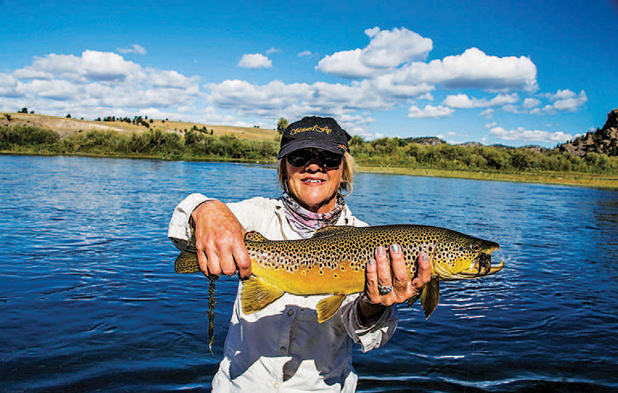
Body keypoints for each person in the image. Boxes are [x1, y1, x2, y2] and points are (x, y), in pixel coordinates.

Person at [168, 116, 431, 392]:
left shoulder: (373, 245)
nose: (314, 166)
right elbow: (181, 232)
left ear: (344, 170)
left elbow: (367, 336)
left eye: (328, 158)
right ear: (284, 169)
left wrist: (374, 304)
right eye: (299, 156)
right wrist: (206, 209)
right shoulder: (256, 215)